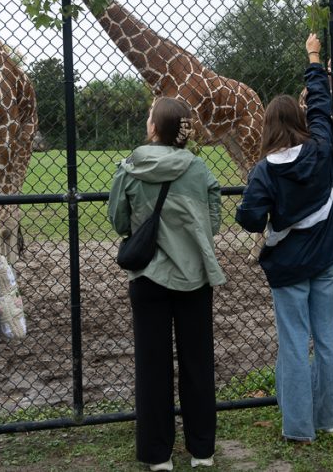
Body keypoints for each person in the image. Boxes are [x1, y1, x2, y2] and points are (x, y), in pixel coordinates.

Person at [235, 33, 333, 443]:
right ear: (300, 122)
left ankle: (299, 429)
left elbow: (250, 220)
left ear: (268, 126)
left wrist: (263, 211)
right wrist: (313, 58)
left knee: (293, 346)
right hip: (326, 260)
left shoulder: (264, 171)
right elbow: (321, 103)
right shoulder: (320, 148)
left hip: (287, 267)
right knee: (328, 340)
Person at [107, 97, 225, 471]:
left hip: (148, 278)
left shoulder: (129, 169)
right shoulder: (199, 170)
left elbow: (119, 221)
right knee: (198, 363)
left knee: (152, 365)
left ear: (154, 128)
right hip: (194, 277)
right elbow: (213, 218)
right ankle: (202, 449)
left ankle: (158, 454)